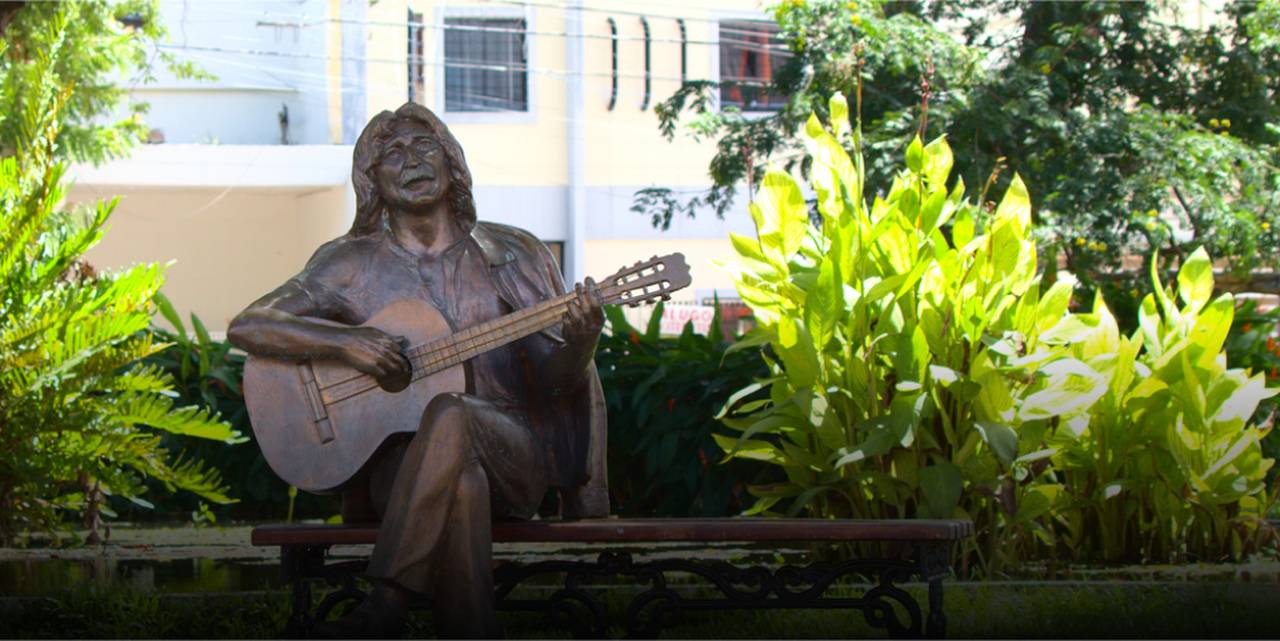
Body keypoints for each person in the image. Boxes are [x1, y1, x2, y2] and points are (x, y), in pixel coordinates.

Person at [227, 102, 609, 638]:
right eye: (392, 153)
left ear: (452, 161)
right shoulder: (350, 264)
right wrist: (347, 343)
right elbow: (250, 325)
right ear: (373, 180)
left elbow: (557, 381)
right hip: (399, 469)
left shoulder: (514, 253)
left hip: (513, 455)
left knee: (453, 414)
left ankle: (385, 607)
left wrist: (582, 339)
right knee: (463, 485)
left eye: (425, 146)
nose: (411, 160)